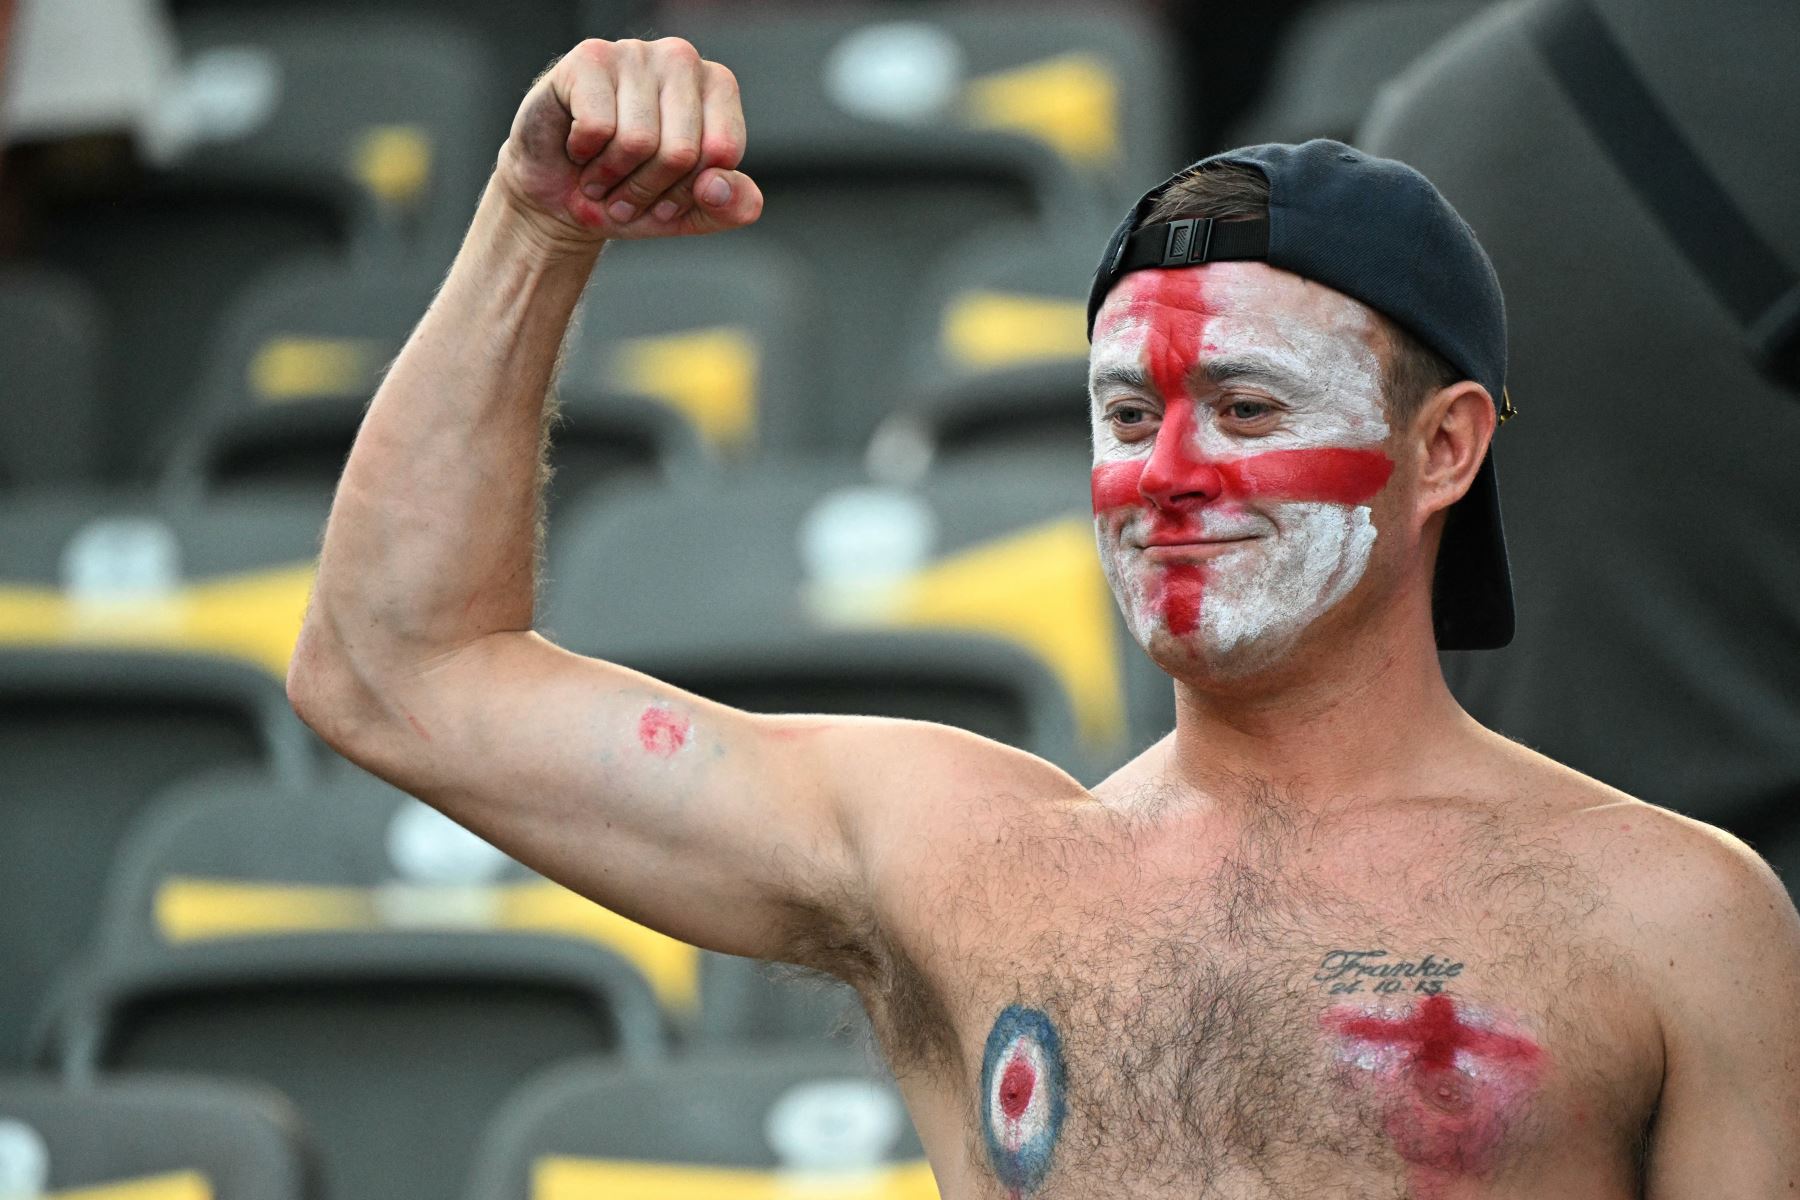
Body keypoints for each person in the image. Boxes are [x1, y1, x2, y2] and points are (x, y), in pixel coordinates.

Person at [287, 36, 1800, 1197]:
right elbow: (397, 671)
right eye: (1129, 411)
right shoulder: (959, 855)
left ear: (1445, 448)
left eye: (1248, 402)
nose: (1171, 474)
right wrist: (534, 227)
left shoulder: (1675, 915)